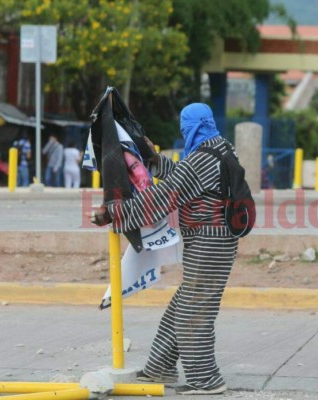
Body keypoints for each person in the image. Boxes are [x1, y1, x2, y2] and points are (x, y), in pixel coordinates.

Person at [92, 103, 239, 395]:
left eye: (185, 126)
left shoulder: (202, 159)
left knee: (192, 313)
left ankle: (207, 380)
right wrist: (153, 159)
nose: (184, 131)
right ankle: (159, 367)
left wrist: (114, 212)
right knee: (181, 306)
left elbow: (164, 196)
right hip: (215, 242)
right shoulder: (220, 148)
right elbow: (185, 180)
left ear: (193, 127)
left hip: (210, 243)